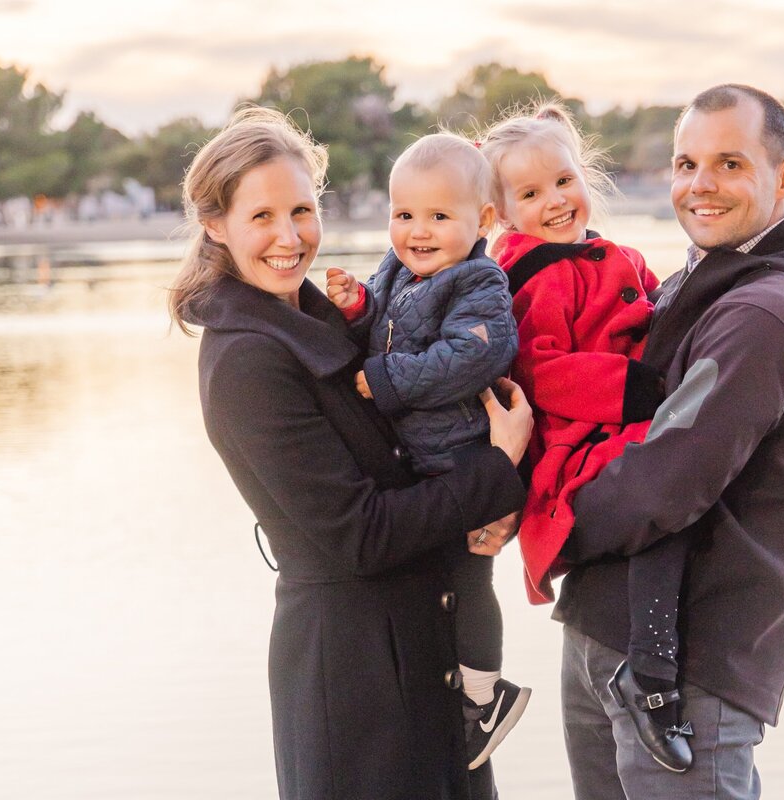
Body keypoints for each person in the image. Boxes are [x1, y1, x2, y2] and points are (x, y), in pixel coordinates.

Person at [167, 105, 532, 800]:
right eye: (263, 216)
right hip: (357, 681)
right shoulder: (247, 361)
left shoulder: (329, 314)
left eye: (302, 210)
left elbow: (414, 452)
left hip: (425, 655)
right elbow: (360, 536)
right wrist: (494, 469)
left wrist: (486, 503)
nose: (289, 236)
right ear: (216, 225)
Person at [553, 85, 784, 799]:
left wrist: (541, 521)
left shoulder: (768, 313)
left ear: (783, 177)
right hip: (610, 634)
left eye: (730, 163)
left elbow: (662, 480)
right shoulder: (701, 284)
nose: (701, 185)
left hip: (687, 671)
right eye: (686, 163)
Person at [479, 103, 696, 771]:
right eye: (530, 193)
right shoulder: (526, 275)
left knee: (691, 473)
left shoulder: (614, 254)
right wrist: (632, 386)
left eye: (564, 181)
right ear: (501, 211)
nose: (554, 201)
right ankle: (651, 671)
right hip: (574, 441)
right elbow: (535, 369)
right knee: (663, 492)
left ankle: (662, 652)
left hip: (619, 417)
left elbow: (659, 309)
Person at [324, 132, 531, 770]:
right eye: (404, 214)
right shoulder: (398, 271)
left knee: (470, 575)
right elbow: (385, 324)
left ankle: (486, 692)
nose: (418, 230)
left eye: (439, 216)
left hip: (461, 456)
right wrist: (358, 306)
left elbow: (474, 355)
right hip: (421, 460)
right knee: (438, 580)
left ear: (483, 222)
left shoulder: (478, 283)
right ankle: (451, 686)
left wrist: (386, 381)